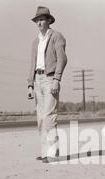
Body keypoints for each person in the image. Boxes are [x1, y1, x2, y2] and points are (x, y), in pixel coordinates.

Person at [27, 6, 68, 163]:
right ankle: (45, 152)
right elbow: (32, 63)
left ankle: (52, 152)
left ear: (49, 20)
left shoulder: (57, 37)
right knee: (40, 118)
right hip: (37, 80)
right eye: (37, 20)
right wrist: (30, 84)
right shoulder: (35, 41)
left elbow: (62, 59)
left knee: (49, 116)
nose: (39, 22)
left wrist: (57, 79)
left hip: (50, 79)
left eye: (42, 19)